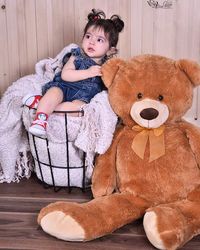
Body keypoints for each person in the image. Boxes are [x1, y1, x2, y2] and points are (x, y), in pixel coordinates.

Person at [23, 9, 124, 137]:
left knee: (80, 110)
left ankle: (42, 105)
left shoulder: (107, 67)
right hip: (64, 88)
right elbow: (66, 75)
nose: (91, 42)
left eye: (99, 40)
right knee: (54, 93)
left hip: (83, 98)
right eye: (88, 36)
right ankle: (40, 119)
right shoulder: (77, 56)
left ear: (110, 50)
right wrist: (88, 72)